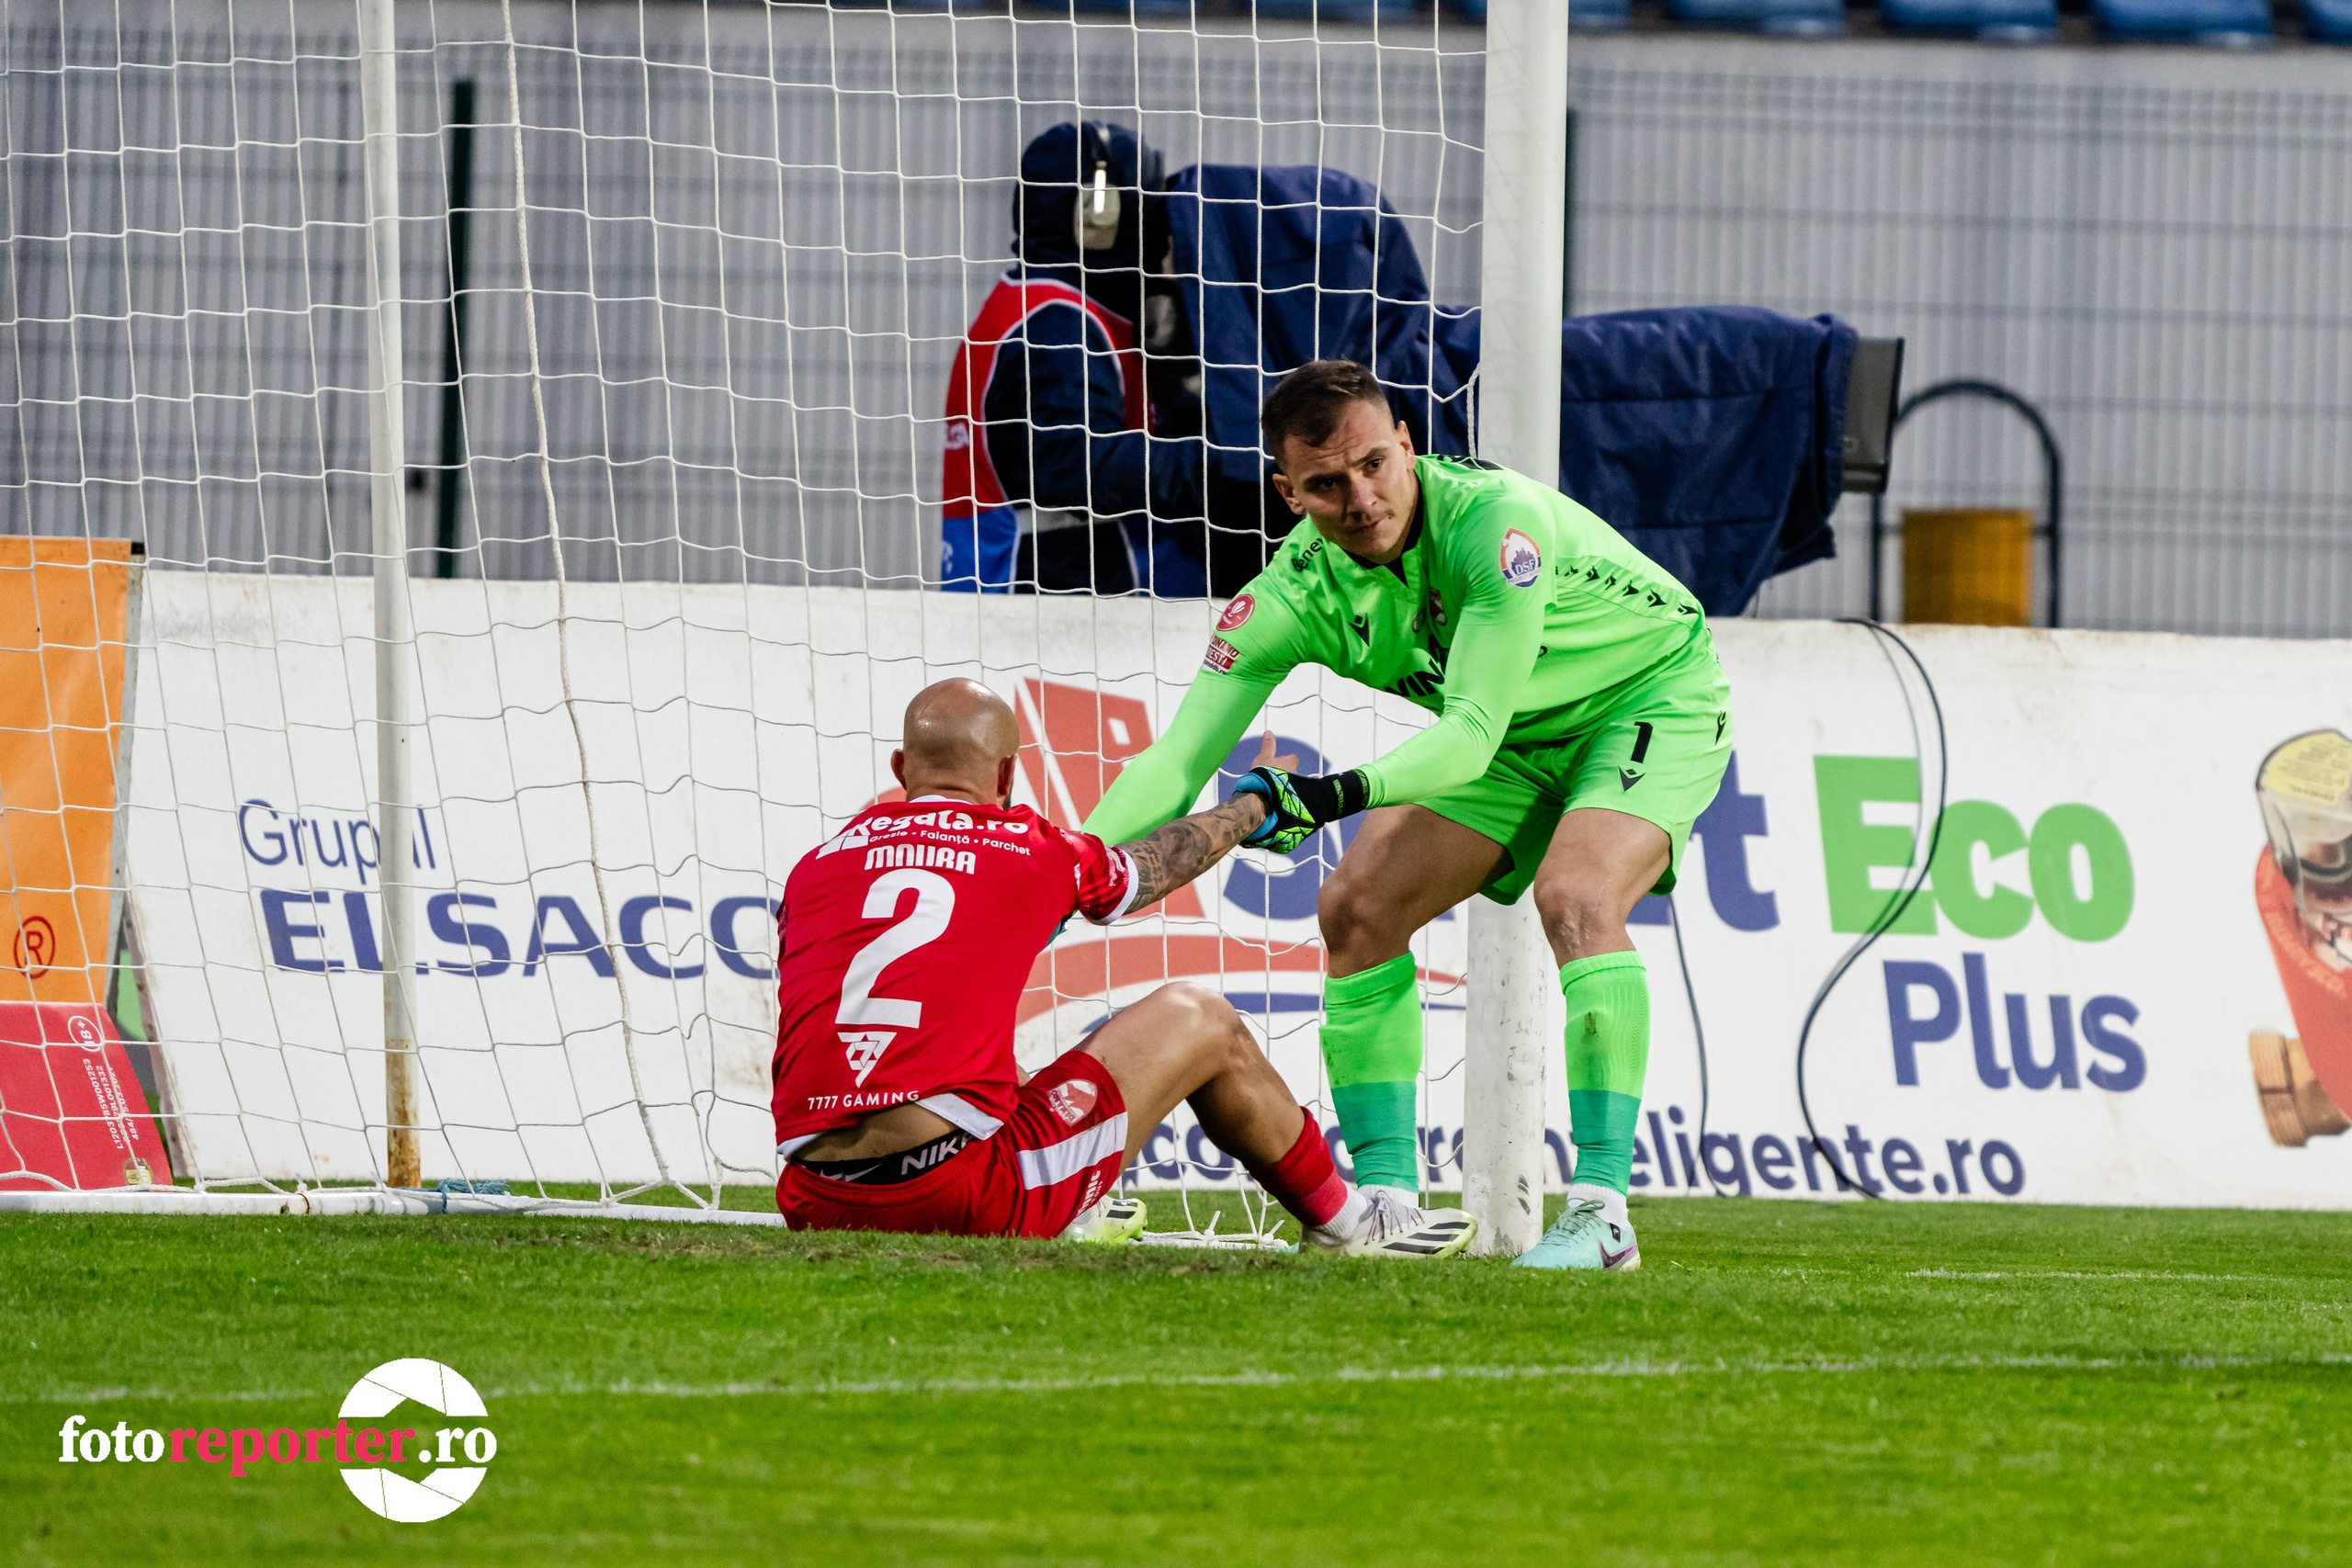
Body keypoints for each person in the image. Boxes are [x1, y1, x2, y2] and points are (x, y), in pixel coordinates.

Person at [1084, 359, 1735, 1271]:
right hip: (1513, 731)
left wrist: (1328, 797)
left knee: (1577, 897)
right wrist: (1068, 859)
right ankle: (1383, 1201)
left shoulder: (1493, 527)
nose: (1359, 498)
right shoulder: (1289, 597)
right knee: (1357, 908)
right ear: (1287, 492)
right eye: (1325, 483)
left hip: (1645, 695)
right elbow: (1176, 762)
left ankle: (1600, 1212)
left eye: (1373, 466)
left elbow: (1465, 734)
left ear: (1406, 446)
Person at [771, 676, 1476, 1259]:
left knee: (978, 1055)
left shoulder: (816, 867)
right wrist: (1250, 806)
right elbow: (1146, 870)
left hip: (808, 1194)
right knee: (1203, 1020)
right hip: (954, 1192)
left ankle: (1080, 1207)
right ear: (1009, 774)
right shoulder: (1025, 845)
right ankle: (1352, 1226)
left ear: (901, 769)